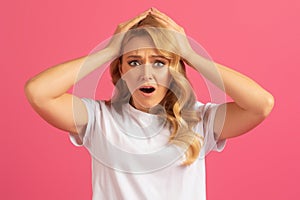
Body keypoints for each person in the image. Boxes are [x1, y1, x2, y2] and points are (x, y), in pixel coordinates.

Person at [24, 8, 274, 200]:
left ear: (173, 69)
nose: (146, 74)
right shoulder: (99, 119)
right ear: (120, 70)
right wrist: (108, 50)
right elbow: (38, 92)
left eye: (159, 62)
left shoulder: (200, 121)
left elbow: (261, 104)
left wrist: (190, 54)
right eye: (133, 62)